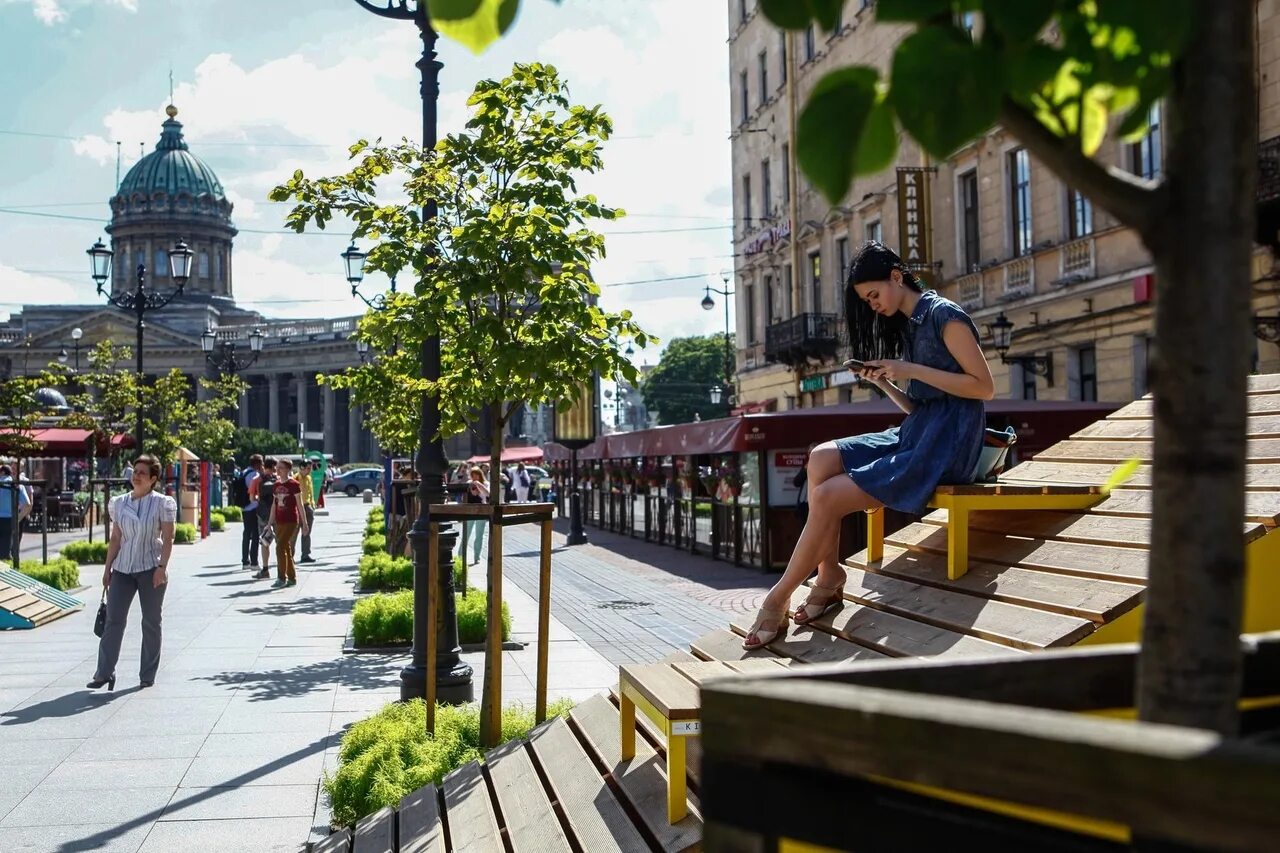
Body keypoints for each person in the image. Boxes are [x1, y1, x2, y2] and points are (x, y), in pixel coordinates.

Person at [742, 242, 994, 650]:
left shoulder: (944, 315)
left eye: (873, 294)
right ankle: (828, 576)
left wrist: (907, 367)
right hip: (919, 432)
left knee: (826, 495)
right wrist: (884, 381)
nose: (873, 304)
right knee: (821, 456)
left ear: (897, 276)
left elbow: (984, 387)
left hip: (947, 446)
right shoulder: (913, 323)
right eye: (866, 300)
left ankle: (779, 596)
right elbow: (920, 406)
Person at [88, 455, 176, 690]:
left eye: (142, 473)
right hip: (123, 569)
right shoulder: (118, 503)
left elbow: (168, 538)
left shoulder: (163, 503)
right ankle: (104, 673)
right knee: (113, 621)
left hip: (151, 568)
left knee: (151, 622)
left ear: (153, 479)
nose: (136, 476)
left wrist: (162, 568)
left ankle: (147, 675)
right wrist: (107, 569)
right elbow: (116, 538)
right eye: (135, 471)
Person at [270, 458, 308, 588]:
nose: (278, 470)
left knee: (279, 547)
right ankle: (292, 578)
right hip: (279, 521)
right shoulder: (276, 485)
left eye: (281, 467)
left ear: (288, 469)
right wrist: (270, 522)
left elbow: (300, 504)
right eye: (277, 467)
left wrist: (305, 523)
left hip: (291, 520)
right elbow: (273, 505)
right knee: (286, 548)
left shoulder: (294, 484)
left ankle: (281, 578)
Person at [0, 464, 31, 563]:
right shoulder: (16, 485)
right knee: (8, 546)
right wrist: (18, 518)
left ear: (2, 472)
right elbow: (27, 504)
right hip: (10, 519)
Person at [240, 454, 264, 570]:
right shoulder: (254, 475)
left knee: (246, 533)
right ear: (258, 464)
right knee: (255, 535)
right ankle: (254, 562)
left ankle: (245, 561)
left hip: (244, 507)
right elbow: (253, 491)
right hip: (253, 506)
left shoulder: (244, 472)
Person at [255, 460, 277, 580]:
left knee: (264, 542)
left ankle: (265, 569)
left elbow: (252, 496)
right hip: (278, 514)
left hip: (264, 514)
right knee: (282, 543)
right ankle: (283, 569)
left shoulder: (258, 480)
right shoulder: (279, 480)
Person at [461, 466, 488, 566]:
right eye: (473, 475)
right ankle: (460, 555)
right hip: (470, 510)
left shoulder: (485, 483)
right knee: (466, 533)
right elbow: (466, 493)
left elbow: (488, 494)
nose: (474, 477)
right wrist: (471, 487)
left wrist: (480, 485)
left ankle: (477, 557)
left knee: (479, 535)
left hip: (481, 510)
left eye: (476, 475)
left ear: (480, 475)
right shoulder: (469, 483)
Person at [296, 460, 317, 564]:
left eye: (311, 468)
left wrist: (312, 505)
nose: (310, 470)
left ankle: (305, 555)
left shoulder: (308, 478)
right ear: (301, 468)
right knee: (294, 533)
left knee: (306, 531)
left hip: (307, 506)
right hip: (297, 507)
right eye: (308, 468)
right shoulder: (295, 478)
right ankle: (289, 555)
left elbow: (310, 492)